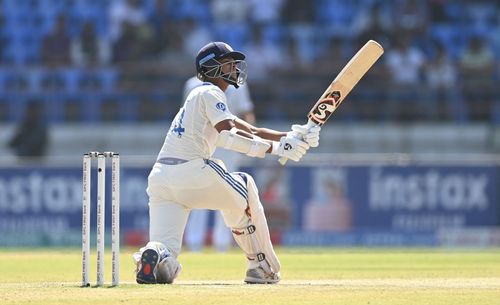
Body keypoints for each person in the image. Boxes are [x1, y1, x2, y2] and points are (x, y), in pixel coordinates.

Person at [133, 41, 320, 284]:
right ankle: (260, 266)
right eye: (228, 63)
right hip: (192, 170)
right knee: (245, 186)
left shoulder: (200, 97)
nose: (234, 67)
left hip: (161, 179)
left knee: (167, 254)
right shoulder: (210, 92)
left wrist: (293, 136)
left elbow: (251, 129)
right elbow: (226, 135)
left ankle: (155, 256)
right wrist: (275, 149)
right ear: (211, 68)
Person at [182, 76, 256, 252]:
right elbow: (185, 116)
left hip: (229, 148)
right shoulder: (192, 84)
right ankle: (194, 243)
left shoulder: (238, 85)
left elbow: (246, 113)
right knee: (199, 194)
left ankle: (222, 243)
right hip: (203, 146)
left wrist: (250, 142)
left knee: (227, 195)